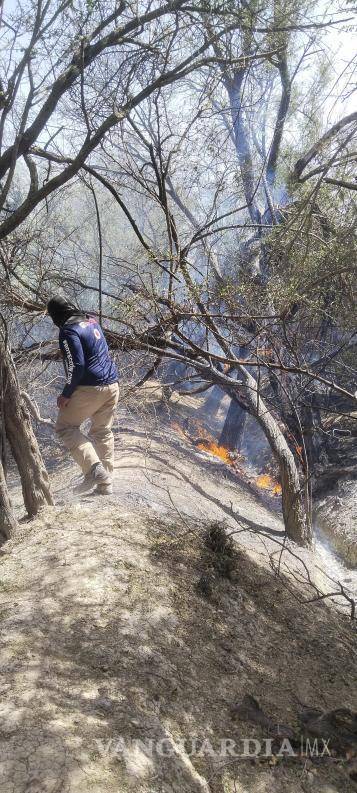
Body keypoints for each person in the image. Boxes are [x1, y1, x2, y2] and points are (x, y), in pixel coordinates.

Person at [47, 296, 119, 495]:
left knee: (65, 427)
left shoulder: (68, 331)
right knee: (102, 431)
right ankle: (106, 483)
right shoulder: (91, 320)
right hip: (112, 385)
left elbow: (76, 365)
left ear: (56, 315)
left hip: (90, 388)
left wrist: (66, 393)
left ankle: (94, 470)